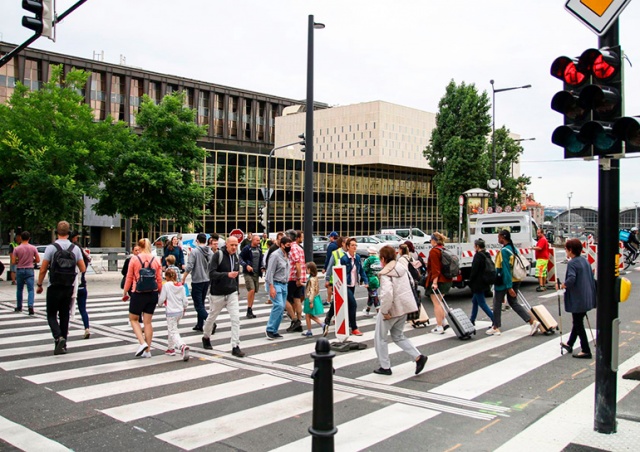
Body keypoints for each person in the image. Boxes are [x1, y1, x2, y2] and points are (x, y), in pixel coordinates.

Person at [373, 245, 428, 376]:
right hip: (404, 307)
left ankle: (385, 366)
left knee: (380, 338)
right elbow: (411, 283)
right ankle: (418, 357)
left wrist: (384, 311)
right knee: (398, 336)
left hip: (391, 309)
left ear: (383, 258)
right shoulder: (402, 267)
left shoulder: (386, 272)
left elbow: (387, 294)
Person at [36, 221, 86, 355]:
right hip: (68, 286)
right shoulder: (74, 249)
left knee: (51, 314)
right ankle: (64, 345)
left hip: (54, 286)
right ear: (69, 233)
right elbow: (83, 268)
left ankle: (58, 337)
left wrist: (40, 284)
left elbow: (43, 268)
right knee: (65, 315)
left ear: (57, 232)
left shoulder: (51, 248)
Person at [487, 230, 540, 337]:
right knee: (513, 303)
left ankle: (496, 327)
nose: (498, 239)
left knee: (497, 303)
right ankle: (532, 322)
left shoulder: (504, 251)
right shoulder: (513, 248)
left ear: (503, 237)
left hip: (504, 281)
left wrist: (508, 286)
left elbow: (505, 269)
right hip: (516, 279)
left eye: (499, 237)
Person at [201, 236, 245, 358]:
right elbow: (211, 274)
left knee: (236, 319)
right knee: (212, 317)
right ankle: (206, 336)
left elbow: (235, 275)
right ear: (226, 244)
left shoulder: (236, 256)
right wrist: (227, 275)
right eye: (232, 245)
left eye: (236, 245)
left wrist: (237, 290)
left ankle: (235, 346)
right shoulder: (218, 255)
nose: (234, 247)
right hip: (217, 293)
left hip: (231, 293)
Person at [123, 238, 162, 358]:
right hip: (152, 293)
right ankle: (148, 351)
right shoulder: (156, 259)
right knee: (148, 322)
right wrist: (160, 292)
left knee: (133, 319)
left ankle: (142, 342)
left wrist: (125, 292)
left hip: (138, 293)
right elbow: (159, 279)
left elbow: (129, 277)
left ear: (139, 247)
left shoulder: (134, 259)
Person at [560, 239, 597, 359]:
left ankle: (586, 349)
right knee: (577, 321)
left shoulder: (572, 263)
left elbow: (571, 278)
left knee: (578, 323)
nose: (566, 251)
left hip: (578, 298)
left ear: (571, 250)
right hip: (587, 297)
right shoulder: (585, 261)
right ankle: (570, 344)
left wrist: (563, 285)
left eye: (566, 249)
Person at [338, 237, 368, 336]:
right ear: (347, 247)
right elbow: (339, 271)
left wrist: (366, 281)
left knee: (346, 305)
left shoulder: (357, 257)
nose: (354, 247)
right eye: (352, 245)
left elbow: (361, 270)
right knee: (353, 304)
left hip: (352, 284)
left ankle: (328, 318)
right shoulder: (344, 258)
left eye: (355, 245)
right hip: (345, 284)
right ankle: (354, 328)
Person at [159, 268, 190, 361]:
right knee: (172, 329)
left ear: (167, 277)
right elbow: (185, 301)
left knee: (173, 331)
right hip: (180, 311)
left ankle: (182, 346)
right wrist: (184, 308)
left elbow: (162, 298)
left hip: (171, 311)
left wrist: (160, 303)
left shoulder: (167, 285)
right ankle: (170, 348)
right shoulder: (181, 286)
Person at [264, 236, 292, 340]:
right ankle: (270, 329)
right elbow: (270, 271)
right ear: (282, 245)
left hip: (284, 284)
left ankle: (274, 330)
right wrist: (271, 286)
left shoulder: (286, 255)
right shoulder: (275, 255)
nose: (289, 247)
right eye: (288, 245)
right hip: (275, 283)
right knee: (279, 305)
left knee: (281, 307)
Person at [182, 233, 212, 331]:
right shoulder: (210, 252)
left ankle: (210, 322)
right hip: (206, 280)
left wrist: (183, 278)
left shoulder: (195, 252)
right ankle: (199, 324)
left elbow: (190, 266)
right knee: (201, 303)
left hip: (197, 280)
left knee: (198, 304)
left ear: (197, 241)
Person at [425, 232, 453, 334]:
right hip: (447, 279)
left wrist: (435, 282)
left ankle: (439, 326)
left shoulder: (434, 251)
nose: (430, 241)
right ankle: (444, 322)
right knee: (440, 302)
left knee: (436, 303)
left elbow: (435, 269)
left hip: (439, 280)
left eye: (431, 240)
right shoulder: (443, 249)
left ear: (434, 240)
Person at [322, 236, 347, 336]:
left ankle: (337, 319)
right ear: (343, 244)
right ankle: (331, 318)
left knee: (343, 302)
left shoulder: (351, 254)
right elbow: (330, 265)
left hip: (347, 282)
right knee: (337, 301)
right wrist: (327, 278)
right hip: (336, 281)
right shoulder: (336, 253)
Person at [69, 231, 91, 339]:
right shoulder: (85, 260)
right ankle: (87, 328)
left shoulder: (71, 259)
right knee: (83, 309)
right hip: (82, 285)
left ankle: (65, 329)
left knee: (66, 309)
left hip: (72, 286)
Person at [12, 231, 40, 314]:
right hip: (29, 269)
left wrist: (19, 261)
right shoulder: (33, 248)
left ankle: (19, 306)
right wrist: (32, 260)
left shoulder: (17, 248)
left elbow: (13, 261)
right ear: (29, 238)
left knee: (19, 289)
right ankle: (30, 306)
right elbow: (38, 260)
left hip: (20, 269)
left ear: (21, 238)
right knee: (30, 289)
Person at [468, 238, 494, 326]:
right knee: (475, 301)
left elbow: (474, 270)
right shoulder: (487, 254)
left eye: (474, 246)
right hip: (485, 281)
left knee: (482, 303)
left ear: (477, 246)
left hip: (478, 283)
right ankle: (472, 319)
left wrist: (470, 281)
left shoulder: (478, 256)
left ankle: (494, 319)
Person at [285, 230, 306, 333]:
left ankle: (295, 320)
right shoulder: (299, 247)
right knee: (297, 300)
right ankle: (299, 322)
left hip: (293, 278)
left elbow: (297, 264)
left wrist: (297, 278)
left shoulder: (292, 248)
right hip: (299, 277)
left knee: (284, 299)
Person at [239, 233, 264, 319]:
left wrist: (262, 267)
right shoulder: (247, 248)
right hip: (248, 273)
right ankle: (249, 309)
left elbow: (261, 259)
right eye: (257, 240)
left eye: (259, 240)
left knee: (254, 292)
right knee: (251, 290)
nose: (258, 242)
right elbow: (240, 258)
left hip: (256, 273)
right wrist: (246, 265)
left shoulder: (259, 249)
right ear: (253, 240)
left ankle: (250, 309)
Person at [302, 262, 324, 337]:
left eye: (307, 269)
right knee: (309, 315)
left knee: (308, 315)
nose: (306, 270)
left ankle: (310, 330)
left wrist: (310, 301)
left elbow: (311, 291)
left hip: (309, 298)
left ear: (310, 269)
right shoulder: (315, 278)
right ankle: (322, 325)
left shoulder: (311, 279)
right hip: (314, 297)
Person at [362, 246, 382, 316]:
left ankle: (379, 313)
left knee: (374, 295)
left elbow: (364, 270)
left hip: (370, 279)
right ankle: (367, 310)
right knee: (371, 295)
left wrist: (362, 280)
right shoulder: (378, 260)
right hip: (377, 279)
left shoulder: (368, 260)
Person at [323, 231, 340, 307]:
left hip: (332, 267)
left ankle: (328, 300)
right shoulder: (339, 245)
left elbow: (328, 258)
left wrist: (325, 268)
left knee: (330, 284)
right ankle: (335, 299)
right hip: (339, 267)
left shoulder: (331, 245)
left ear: (332, 237)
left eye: (330, 237)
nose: (329, 238)